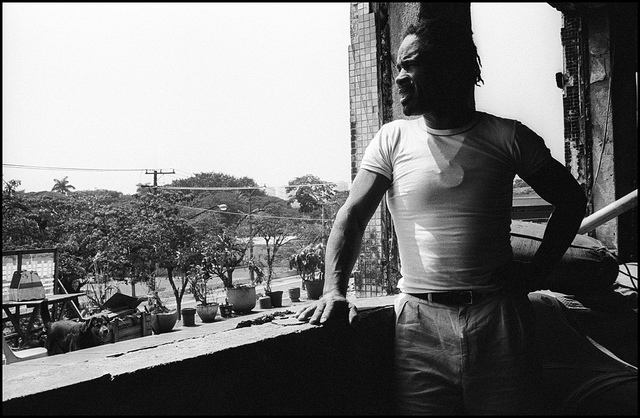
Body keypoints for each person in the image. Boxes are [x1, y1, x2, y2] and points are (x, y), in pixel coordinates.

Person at [296, 17, 587, 415]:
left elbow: (571, 200)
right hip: (419, 325)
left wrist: (538, 272)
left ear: (450, 68)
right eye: (398, 67)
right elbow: (353, 216)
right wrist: (335, 290)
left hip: (498, 320)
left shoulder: (508, 136)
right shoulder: (392, 139)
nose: (399, 78)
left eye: (410, 65)